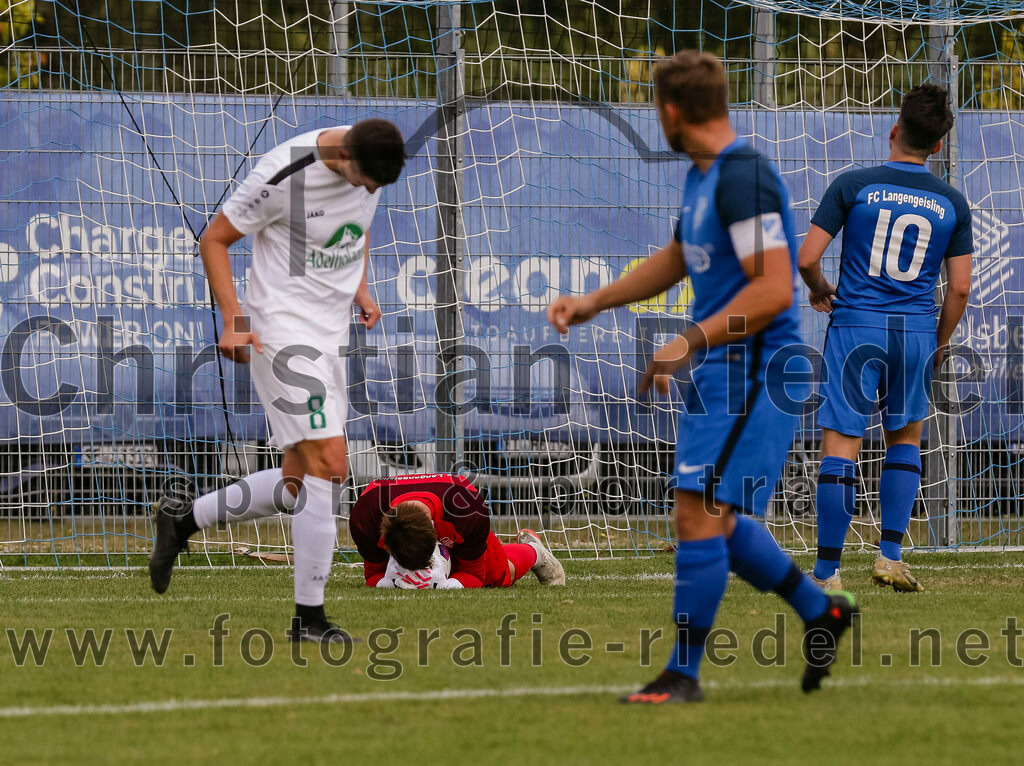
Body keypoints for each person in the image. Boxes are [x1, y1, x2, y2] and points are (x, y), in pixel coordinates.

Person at [547, 50, 857, 704]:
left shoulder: (744, 175)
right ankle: (820, 611)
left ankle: (682, 675)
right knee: (709, 514)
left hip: (756, 370)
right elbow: (679, 256)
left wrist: (685, 340)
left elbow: (775, 290)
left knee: (698, 513)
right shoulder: (704, 176)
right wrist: (595, 301)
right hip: (723, 370)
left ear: (670, 112)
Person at [148, 119, 406, 643]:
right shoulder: (285, 172)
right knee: (331, 464)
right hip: (281, 331)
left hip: (329, 334)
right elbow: (215, 240)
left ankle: (182, 522)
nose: (370, 191)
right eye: (366, 181)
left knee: (296, 484)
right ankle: (308, 619)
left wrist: (359, 287)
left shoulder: (370, 165)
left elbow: (358, 224)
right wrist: (234, 318)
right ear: (347, 158)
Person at [799, 84, 973, 593]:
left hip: (857, 327)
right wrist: (937, 343)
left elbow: (808, 258)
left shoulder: (854, 185)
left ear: (894, 130)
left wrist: (821, 290)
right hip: (916, 330)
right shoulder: (952, 201)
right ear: (938, 147)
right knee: (905, 441)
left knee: (841, 448)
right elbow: (959, 288)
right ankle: (890, 556)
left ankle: (828, 571)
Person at [349, 473, 565, 589]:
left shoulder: (468, 509)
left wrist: (448, 584)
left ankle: (534, 550)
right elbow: (372, 574)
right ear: (384, 541)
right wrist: (391, 581)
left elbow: (474, 575)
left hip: (458, 527)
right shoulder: (364, 518)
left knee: (502, 576)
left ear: (436, 533)